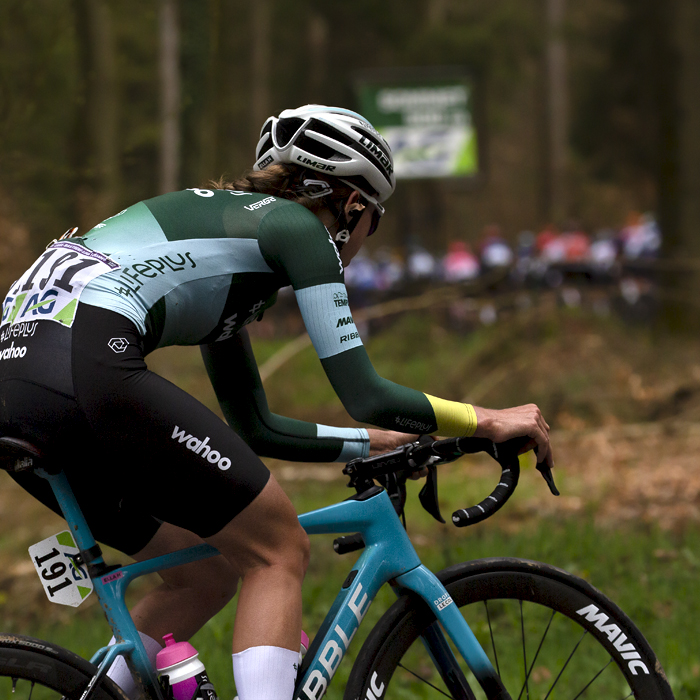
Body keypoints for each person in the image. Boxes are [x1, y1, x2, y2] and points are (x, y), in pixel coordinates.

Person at [0, 105, 553, 700]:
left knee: (202, 574)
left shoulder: (228, 246)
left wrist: (375, 443)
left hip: (17, 389)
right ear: (352, 205)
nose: (369, 236)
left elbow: (256, 427)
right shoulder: (298, 228)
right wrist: (488, 419)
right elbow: (366, 394)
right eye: (376, 219)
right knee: (276, 548)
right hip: (85, 365)